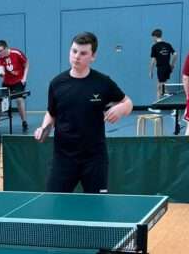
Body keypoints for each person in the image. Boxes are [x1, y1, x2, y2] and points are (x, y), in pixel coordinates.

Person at [34, 32, 133, 193]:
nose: (77, 57)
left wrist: (121, 108)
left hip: (94, 158)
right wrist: (43, 128)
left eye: (83, 53)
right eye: (74, 51)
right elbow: (51, 113)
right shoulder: (57, 83)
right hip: (63, 157)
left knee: (96, 204)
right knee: (54, 202)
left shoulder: (103, 82)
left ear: (93, 56)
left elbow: (128, 103)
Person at [0, 40, 29, 132]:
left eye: (0, 51)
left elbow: (27, 64)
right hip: (6, 83)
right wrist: (1, 73)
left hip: (18, 82)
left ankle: (24, 122)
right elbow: (1, 69)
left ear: (6, 48)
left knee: (19, 100)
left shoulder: (16, 53)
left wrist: (24, 78)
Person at [149, 29, 177, 100]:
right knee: (162, 86)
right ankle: (161, 102)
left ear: (155, 37)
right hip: (167, 68)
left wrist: (151, 71)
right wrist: (172, 65)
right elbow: (175, 54)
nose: (153, 39)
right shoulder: (168, 45)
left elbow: (153, 60)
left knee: (160, 88)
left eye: (153, 38)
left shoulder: (154, 46)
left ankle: (164, 101)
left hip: (161, 68)